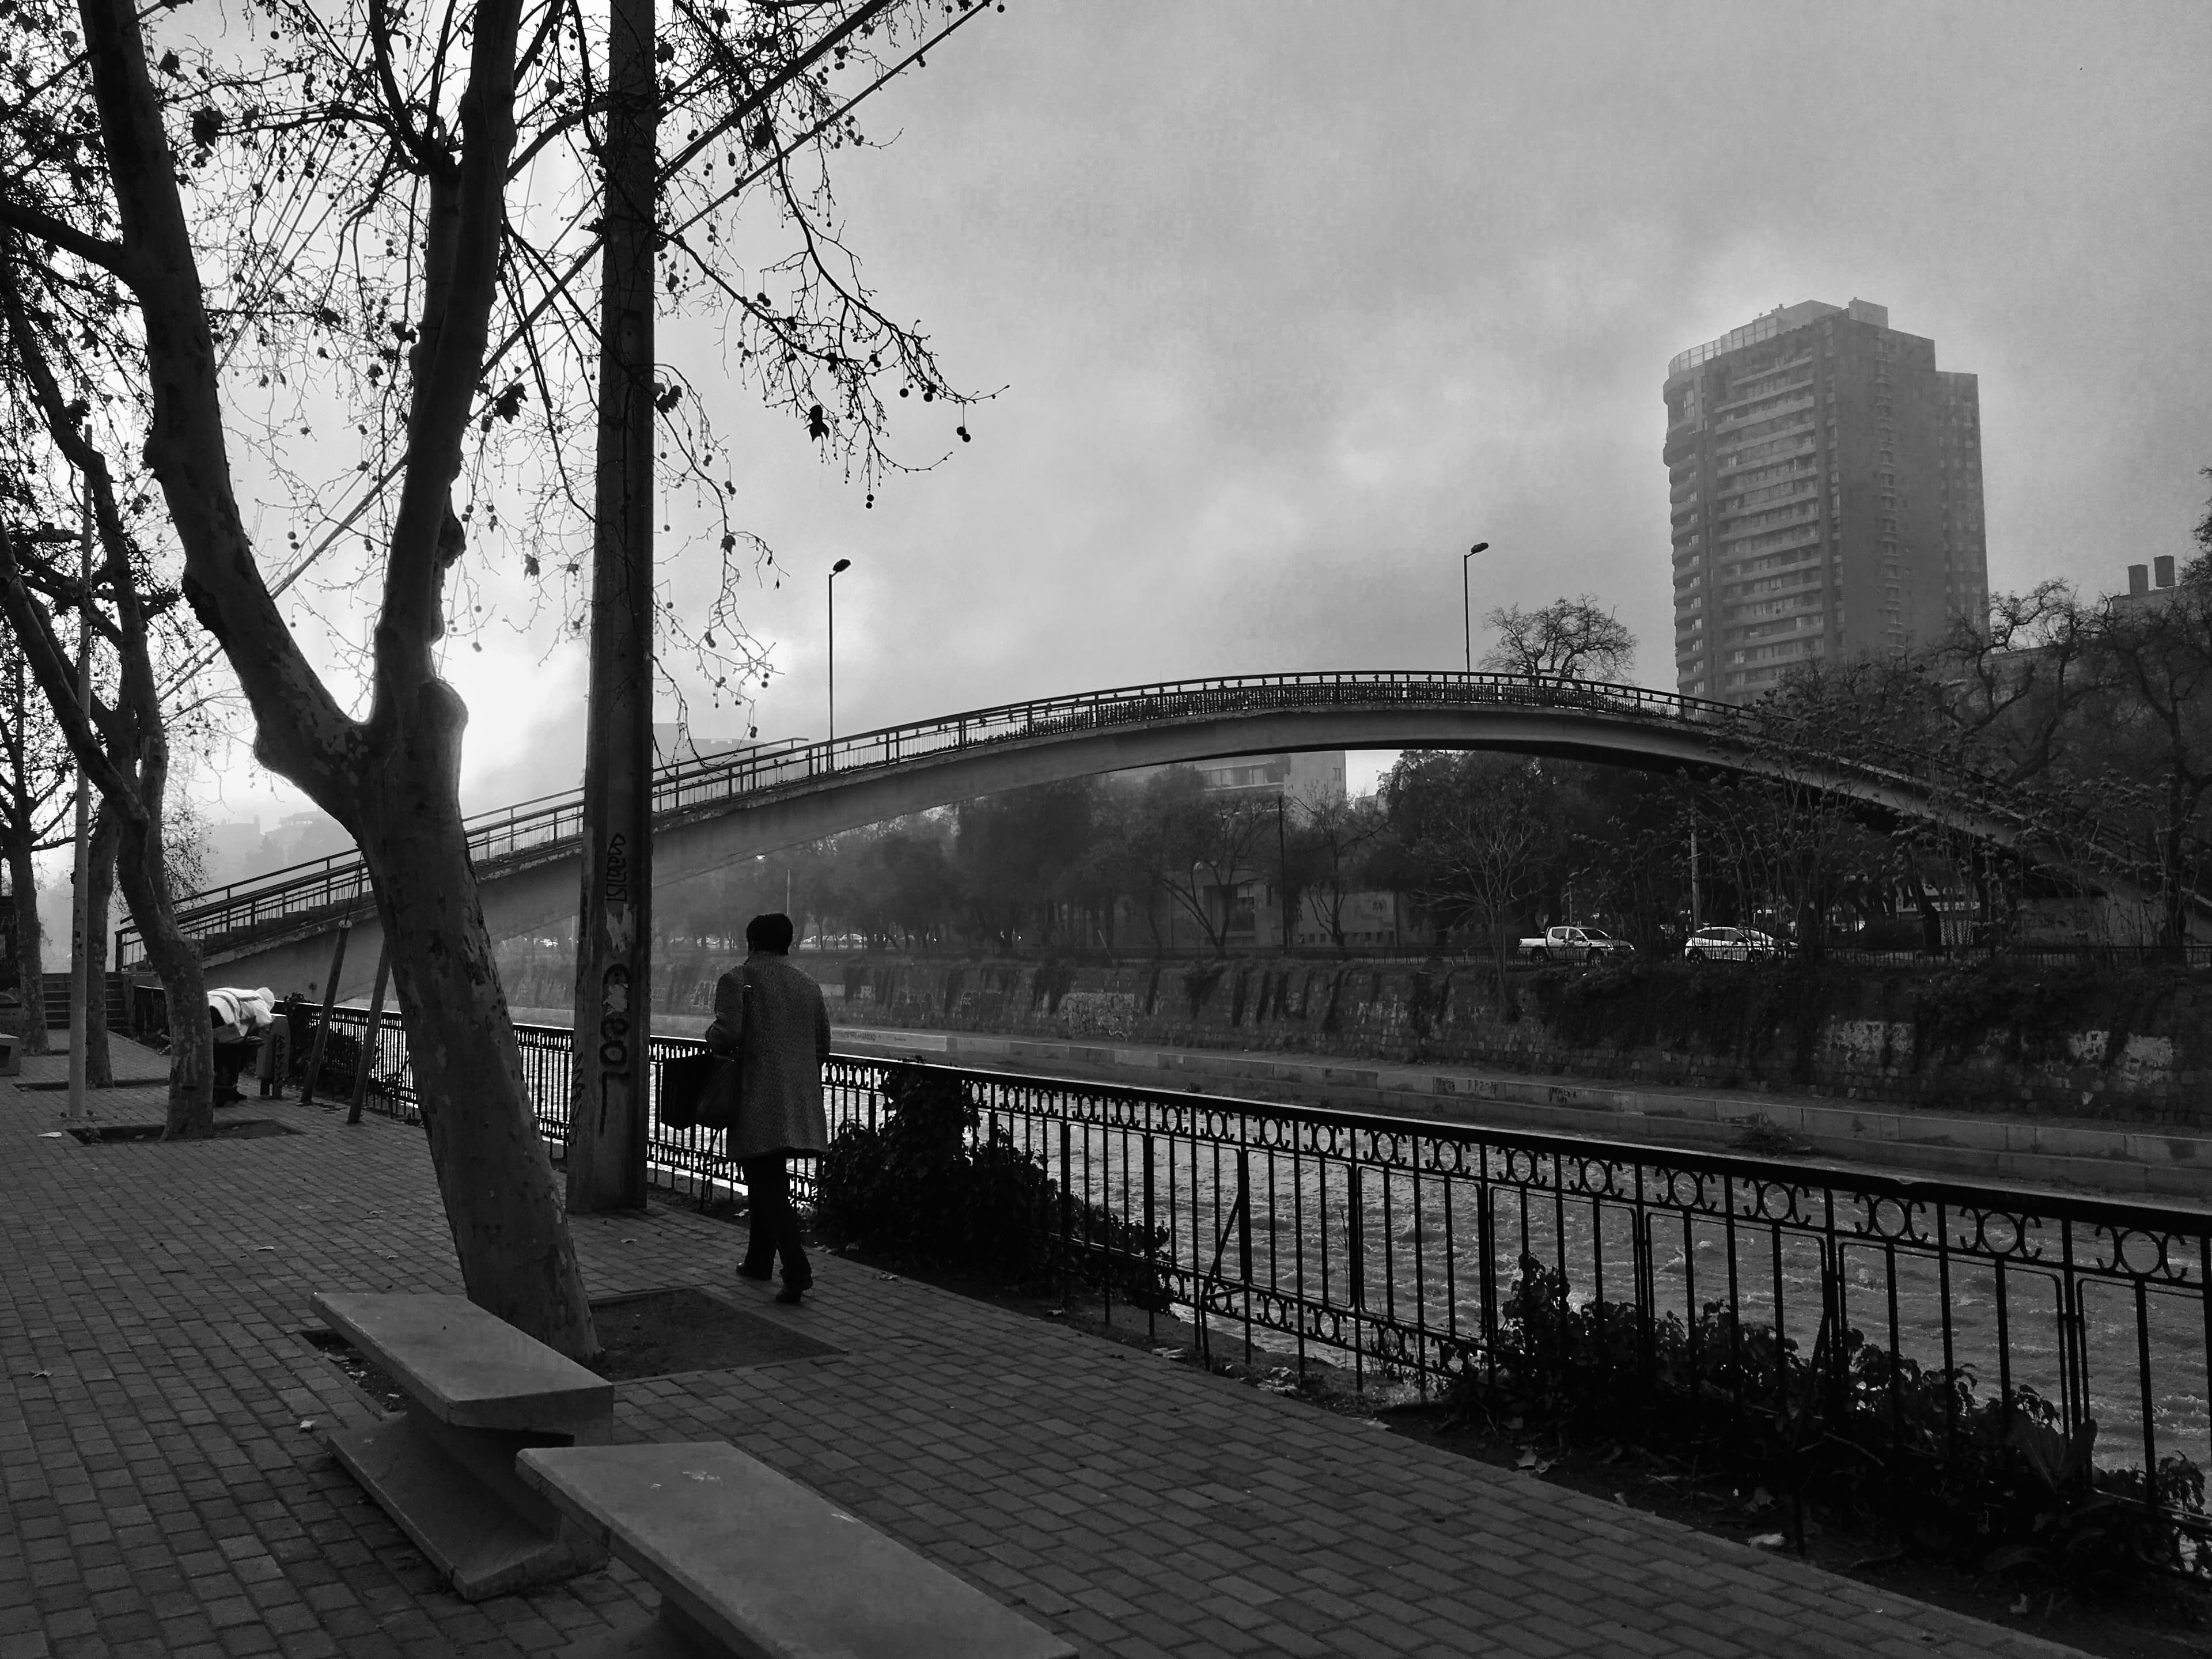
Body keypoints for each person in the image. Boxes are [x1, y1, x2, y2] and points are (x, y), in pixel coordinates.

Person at [703, 912, 831, 1305]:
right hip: (799, 1097)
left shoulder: (738, 980)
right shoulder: (808, 985)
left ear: (751, 942)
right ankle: (757, 1260)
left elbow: (728, 1033)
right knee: (766, 1175)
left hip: (757, 1094)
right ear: (788, 943)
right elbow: (822, 1044)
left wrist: (711, 1036)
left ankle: (796, 1268)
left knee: (766, 1181)